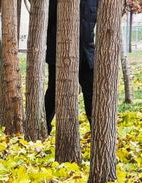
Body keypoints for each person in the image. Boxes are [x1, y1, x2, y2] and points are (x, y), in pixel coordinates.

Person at [44, 0, 97, 135]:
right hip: (60, 53)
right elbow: (48, 23)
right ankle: (43, 128)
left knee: (91, 91)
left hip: (86, 53)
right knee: (54, 91)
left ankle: (97, 132)